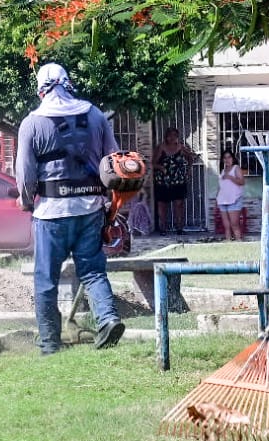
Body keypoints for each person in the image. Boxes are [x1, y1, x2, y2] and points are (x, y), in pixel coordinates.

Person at [15, 63, 125, 354]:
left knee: (46, 279)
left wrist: (26, 201)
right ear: (69, 83)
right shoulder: (95, 114)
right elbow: (113, 161)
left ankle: (51, 343)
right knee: (92, 270)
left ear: (40, 90)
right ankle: (108, 319)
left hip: (51, 214)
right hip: (91, 209)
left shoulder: (32, 123)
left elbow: (25, 176)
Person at [152, 127, 195, 234]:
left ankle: (179, 228)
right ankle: (163, 228)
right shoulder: (161, 147)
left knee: (179, 204)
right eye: (170, 135)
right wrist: (162, 168)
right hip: (163, 180)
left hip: (178, 180)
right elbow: (153, 163)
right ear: (166, 137)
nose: (172, 138)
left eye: (175, 135)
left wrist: (188, 169)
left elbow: (190, 158)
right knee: (162, 205)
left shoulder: (181, 147)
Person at [215, 148, 246, 241]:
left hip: (234, 200)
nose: (227, 160)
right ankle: (228, 241)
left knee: (234, 224)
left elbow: (242, 182)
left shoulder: (236, 168)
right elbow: (221, 186)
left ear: (233, 158)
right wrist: (216, 198)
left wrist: (230, 177)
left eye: (229, 157)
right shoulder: (223, 170)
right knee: (226, 225)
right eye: (225, 158)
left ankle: (238, 240)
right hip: (222, 200)